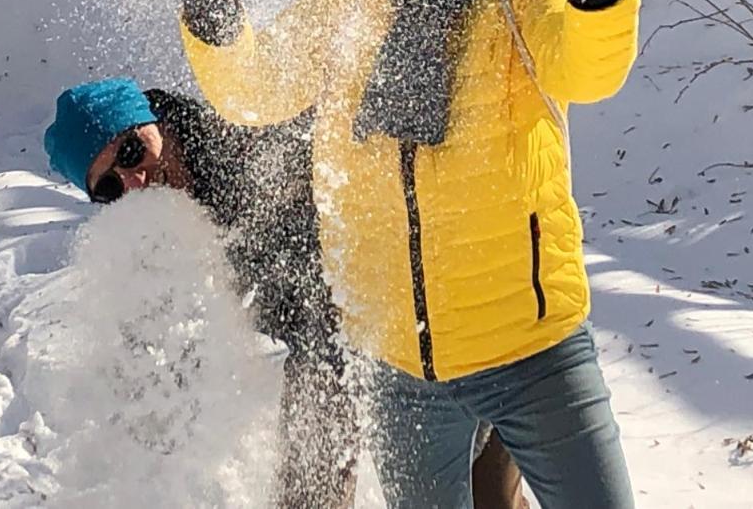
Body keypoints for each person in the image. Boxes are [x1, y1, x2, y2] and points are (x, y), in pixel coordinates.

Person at [149, 0, 642, 508]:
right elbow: (260, 89)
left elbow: (587, 70)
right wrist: (216, 16)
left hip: (535, 352)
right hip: (399, 367)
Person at [43, 77, 532, 509]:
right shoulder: (154, 230)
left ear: (151, 122)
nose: (134, 181)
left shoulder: (245, 131)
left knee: (484, 489)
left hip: (443, 298)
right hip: (337, 336)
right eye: (108, 187)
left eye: (131, 152)